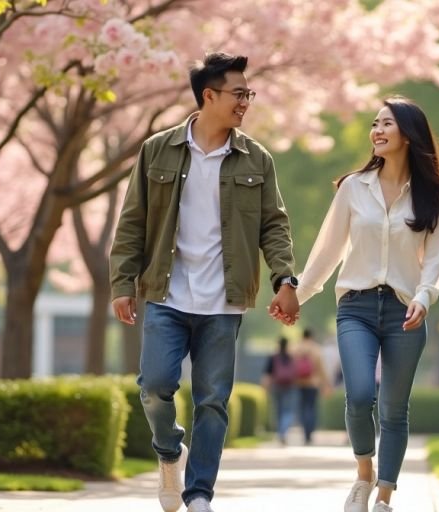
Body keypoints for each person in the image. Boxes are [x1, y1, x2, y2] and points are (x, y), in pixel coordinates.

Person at [109, 52, 300, 512]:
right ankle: (169, 451)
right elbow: (133, 220)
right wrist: (123, 281)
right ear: (209, 96)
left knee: (213, 402)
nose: (245, 102)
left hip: (224, 300)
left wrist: (285, 278)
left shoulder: (257, 158)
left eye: (248, 94)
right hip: (166, 293)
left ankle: (198, 494)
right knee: (154, 387)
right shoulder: (158, 150)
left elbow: (273, 225)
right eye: (238, 93)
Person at [293, 95, 439, 512]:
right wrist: (298, 295)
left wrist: (424, 297)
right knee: (360, 394)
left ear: (408, 134)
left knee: (394, 409)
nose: (377, 131)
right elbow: (327, 250)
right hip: (356, 308)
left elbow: (436, 260)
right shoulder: (353, 187)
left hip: (405, 311)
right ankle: (363, 474)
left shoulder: (430, 196)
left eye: (387, 124)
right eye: (374, 124)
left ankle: (384, 498)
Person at [292, 328, 333, 445]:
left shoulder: (295, 348)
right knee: (311, 408)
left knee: (302, 408)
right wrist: (327, 384)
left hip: (298, 383)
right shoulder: (316, 349)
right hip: (313, 383)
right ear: (312, 336)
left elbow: (290, 367)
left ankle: (305, 432)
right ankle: (309, 434)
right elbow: (322, 369)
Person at [262, 336, 299, 446]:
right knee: (287, 411)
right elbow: (295, 373)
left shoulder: (273, 357)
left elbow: (267, 374)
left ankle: (280, 432)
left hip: (276, 386)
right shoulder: (291, 357)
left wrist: (265, 388)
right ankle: (283, 431)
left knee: (278, 410)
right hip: (289, 386)